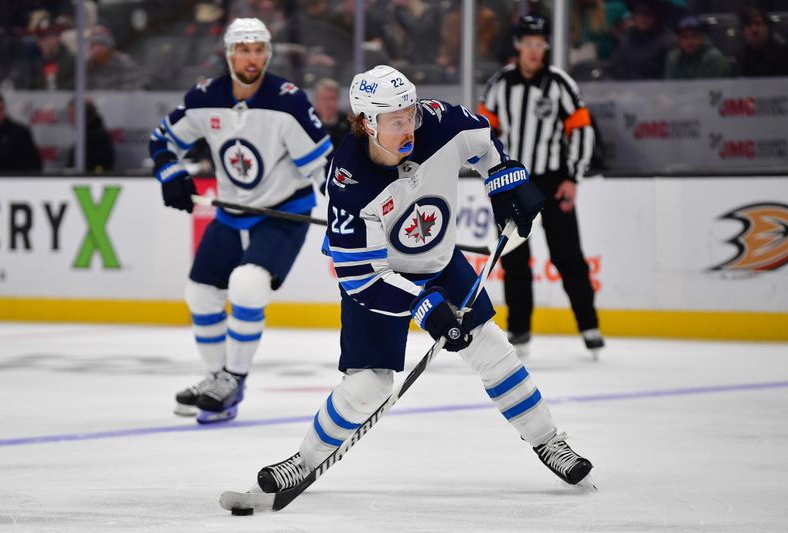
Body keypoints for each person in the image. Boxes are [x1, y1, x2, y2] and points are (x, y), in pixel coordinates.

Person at [251, 65, 594, 495]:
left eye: (409, 114)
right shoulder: (348, 181)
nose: (408, 127)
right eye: (395, 121)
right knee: (368, 384)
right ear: (365, 123)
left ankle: (549, 442)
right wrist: (424, 306)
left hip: (440, 261)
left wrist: (505, 180)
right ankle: (302, 462)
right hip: (378, 278)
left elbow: (486, 143)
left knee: (492, 350)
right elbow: (361, 277)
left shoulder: (439, 122)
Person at [148, 18, 332, 424]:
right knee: (199, 292)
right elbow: (162, 140)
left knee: (248, 284)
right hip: (232, 211)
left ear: (268, 53)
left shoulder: (288, 100)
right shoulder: (204, 98)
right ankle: (215, 376)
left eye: (259, 49)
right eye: (243, 49)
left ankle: (233, 379)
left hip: (284, 211)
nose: (252, 57)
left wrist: (343, 211)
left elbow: (324, 166)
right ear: (229, 54)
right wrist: (171, 174)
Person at [479, 15, 604, 357]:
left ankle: (589, 326)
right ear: (518, 45)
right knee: (515, 258)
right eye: (529, 44)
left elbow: (581, 129)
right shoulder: (499, 84)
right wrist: (495, 176)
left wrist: (573, 177)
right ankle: (519, 330)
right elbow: (483, 135)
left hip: (552, 181)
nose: (535, 51)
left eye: (540, 44)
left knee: (568, 257)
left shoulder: (560, 83)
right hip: (514, 182)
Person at [610, 0, 675, 79]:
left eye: (648, 14)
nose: (642, 18)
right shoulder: (628, 36)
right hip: (626, 88)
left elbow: (668, 75)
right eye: (638, 13)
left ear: (657, 16)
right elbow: (618, 66)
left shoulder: (668, 41)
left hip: (656, 89)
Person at [735, 6, 788, 78]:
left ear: (767, 27)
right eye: (749, 25)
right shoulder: (742, 54)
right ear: (743, 31)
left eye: (758, 24)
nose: (754, 29)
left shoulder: (784, 52)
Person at [665, 14, 730, 79]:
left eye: (694, 36)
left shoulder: (714, 58)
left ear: (702, 37)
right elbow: (670, 86)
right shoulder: (673, 58)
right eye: (684, 37)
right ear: (679, 39)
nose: (690, 41)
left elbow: (718, 87)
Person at [86, 25, 143, 90]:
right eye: (94, 45)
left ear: (109, 47)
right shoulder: (89, 65)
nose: (97, 49)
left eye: (102, 44)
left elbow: (130, 90)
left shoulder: (124, 62)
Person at [66, 98, 115, 173]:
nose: (69, 119)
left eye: (71, 115)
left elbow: (98, 168)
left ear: (83, 115)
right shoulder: (86, 134)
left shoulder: (95, 137)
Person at [0, 92, 43, 172]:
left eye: (0, 110)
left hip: (15, 181)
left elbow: (34, 165)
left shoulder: (20, 133)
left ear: (4, 110)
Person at [313, 78, 349, 149]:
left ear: (337, 100)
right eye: (324, 99)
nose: (328, 104)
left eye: (331, 98)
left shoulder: (349, 123)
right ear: (317, 101)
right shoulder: (309, 123)